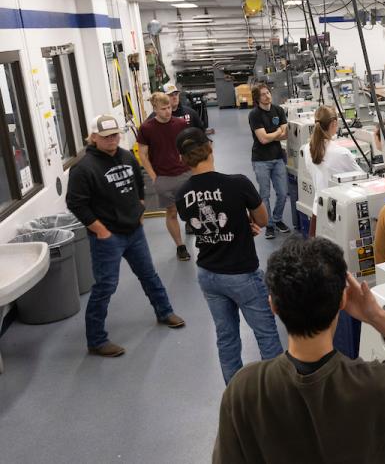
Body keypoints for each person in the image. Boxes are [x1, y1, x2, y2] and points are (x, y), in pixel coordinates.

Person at [212, 237, 385, 463]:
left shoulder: (244, 389)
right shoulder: (378, 385)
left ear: (273, 305)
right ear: (342, 300)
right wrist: (375, 315)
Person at [66, 115, 185, 358]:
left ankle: (164, 312)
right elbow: (76, 204)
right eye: (106, 136)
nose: (112, 140)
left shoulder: (127, 156)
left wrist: (140, 210)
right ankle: (96, 340)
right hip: (108, 237)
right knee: (105, 287)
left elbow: (138, 184)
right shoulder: (83, 168)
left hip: (134, 231)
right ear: (93, 137)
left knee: (149, 274)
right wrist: (100, 230)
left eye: (115, 135)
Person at [174, 128, 283, 384]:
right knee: (266, 335)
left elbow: (202, 226)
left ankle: (234, 395)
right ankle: (278, 393)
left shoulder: (181, 195)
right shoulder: (237, 183)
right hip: (241, 273)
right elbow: (263, 220)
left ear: (182, 158)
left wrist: (239, 225)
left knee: (226, 338)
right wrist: (244, 223)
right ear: (209, 147)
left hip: (208, 274)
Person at [137, 92, 192, 261]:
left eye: (169, 107)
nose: (168, 111)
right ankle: (180, 246)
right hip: (164, 177)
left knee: (192, 207)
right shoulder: (146, 128)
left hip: (185, 173)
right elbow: (142, 155)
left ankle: (191, 225)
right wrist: (154, 177)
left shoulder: (180, 124)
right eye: (163, 109)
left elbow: (189, 146)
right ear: (155, 109)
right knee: (172, 211)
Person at [302, 105, 363, 237]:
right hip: (339, 216)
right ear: (334, 123)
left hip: (318, 212)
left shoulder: (307, 149)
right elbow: (363, 180)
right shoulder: (342, 153)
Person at [248, 83, 290, 239]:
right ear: (257, 98)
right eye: (263, 94)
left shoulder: (278, 110)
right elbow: (263, 139)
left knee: (283, 193)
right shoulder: (254, 114)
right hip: (261, 160)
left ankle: (277, 219)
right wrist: (277, 132)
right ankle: (269, 225)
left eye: (268, 93)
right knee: (264, 195)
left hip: (278, 157)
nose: (267, 96)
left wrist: (272, 134)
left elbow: (286, 134)